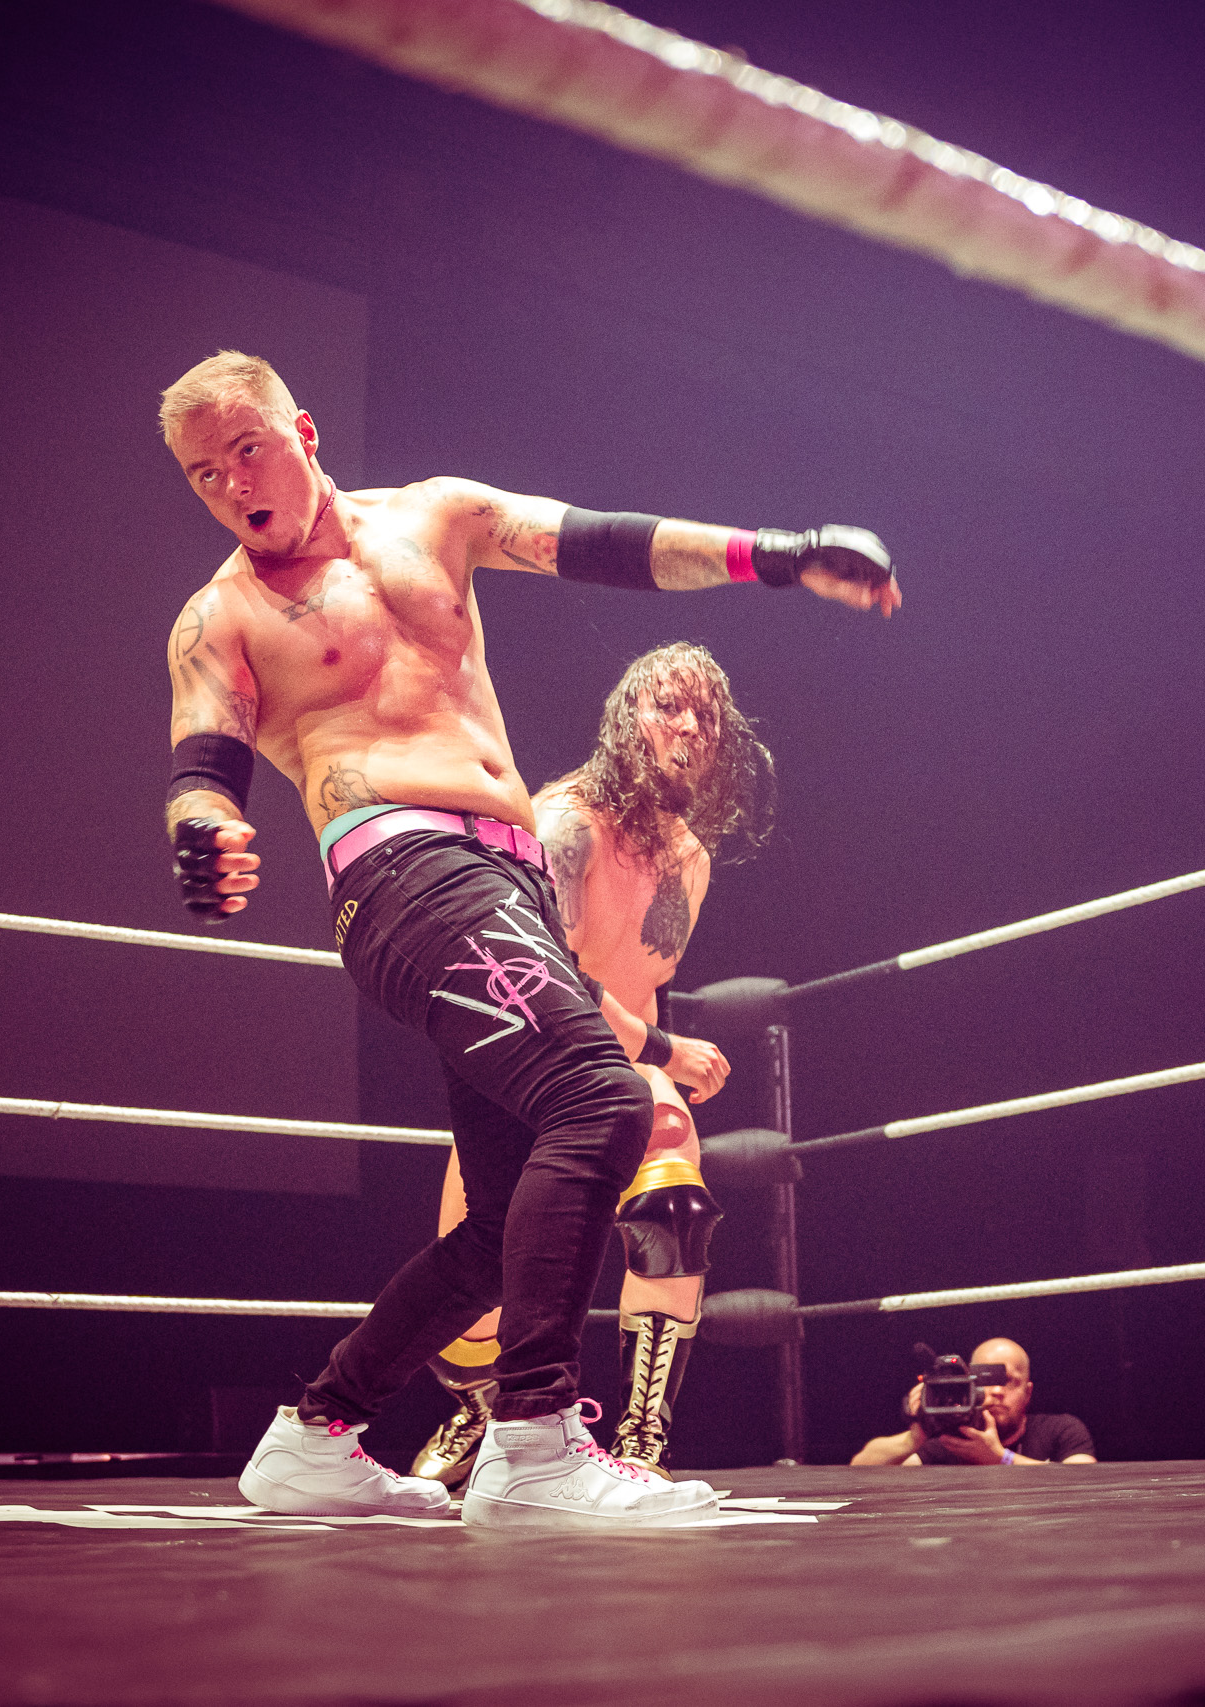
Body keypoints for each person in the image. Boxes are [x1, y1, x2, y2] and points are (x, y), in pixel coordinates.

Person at [155, 351, 897, 1530]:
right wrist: (203, 829)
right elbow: (203, 762)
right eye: (203, 474)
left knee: (504, 1222)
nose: (231, 485)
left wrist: (775, 552)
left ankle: (315, 1434)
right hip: (406, 873)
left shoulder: (437, 516)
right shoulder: (222, 614)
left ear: (301, 432)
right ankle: (535, 1446)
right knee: (604, 1103)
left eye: (246, 450)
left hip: (497, 882)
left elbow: (599, 541)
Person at [411, 642, 769, 1485]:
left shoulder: (692, 860)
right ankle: (481, 1411)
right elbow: (541, 979)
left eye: (705, 715)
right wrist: (664, 1051)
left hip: (618, 1070)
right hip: (525, 1069)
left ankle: (643, 1438)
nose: (688, 727)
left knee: (675, 1198)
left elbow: (641, 982)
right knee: (473, 1287)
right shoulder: (566, 824)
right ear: (625, 719)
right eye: (668, 706)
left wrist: (657, 1062)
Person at [850, 1338, 1098, 1465]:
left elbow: (1085, 1479)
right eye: (986, 1379)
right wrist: (916, 1437)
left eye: (1009, 1381)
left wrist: (1001, 1458)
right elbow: (861, 1470)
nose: (997, 1391)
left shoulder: (1061, 1430)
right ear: (969, 1385)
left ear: (1028, 1392)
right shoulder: (952, 1441)